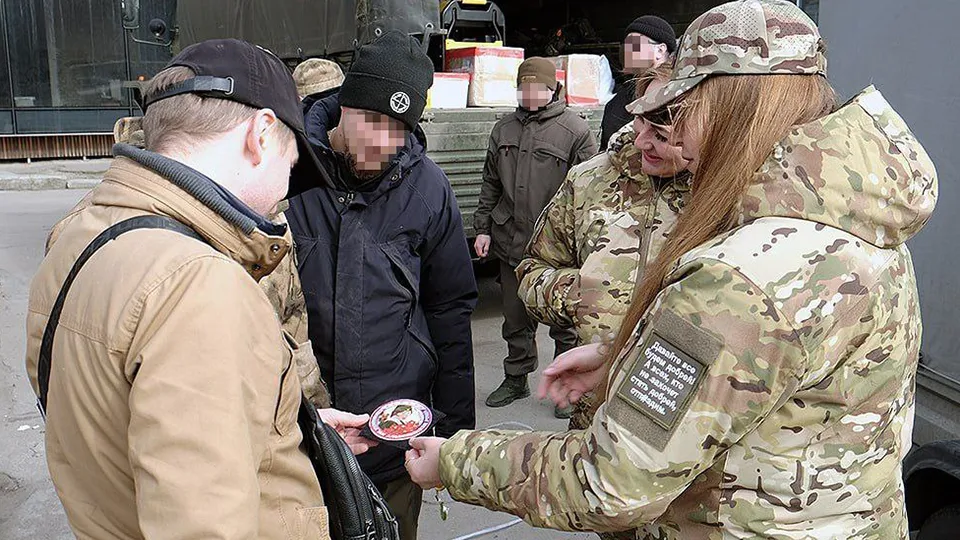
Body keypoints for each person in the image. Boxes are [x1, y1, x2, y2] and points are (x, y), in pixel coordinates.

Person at [404, 1, 939, 538]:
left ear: (730, 104)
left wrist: (456, 459)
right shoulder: (856, 220)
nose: (671, 139)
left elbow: (606, 483)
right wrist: (625, 355)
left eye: (682, 110)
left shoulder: (743, 276)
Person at [26, 39, 377, 539]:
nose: (286, 190)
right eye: (292, 164)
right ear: (260, 134)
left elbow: (114, 420)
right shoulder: (200, 284)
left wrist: (291, 426)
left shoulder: (78, 232)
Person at [285, 30, 478, 540]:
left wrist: (455, 435)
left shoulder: (429, 187)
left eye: (399, 127)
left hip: (391, 436)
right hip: (299, 438)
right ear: (344, 103)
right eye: (371, 120)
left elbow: (450, 309)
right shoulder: (286, 173)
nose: (382, 142)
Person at [517, 64, 689, 438]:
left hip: (686, 424)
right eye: (642, 117)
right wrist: (580, 295)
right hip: (594, 408)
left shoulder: (729, 191)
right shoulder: (590, 180)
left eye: (664, 123)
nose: (644, 138)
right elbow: (532, 269)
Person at [474, 57, 598, 418]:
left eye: (536, 88)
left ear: (552, 89)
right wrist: (482, 228)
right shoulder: (503, 129)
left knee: (564, 322)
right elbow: (490, 182)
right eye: (522, 88)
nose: (529, 94)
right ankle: (516, 378)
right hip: (511, 240)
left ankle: (564, 385)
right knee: (515, 318)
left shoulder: (575, 130)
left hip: (558, 248)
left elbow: (591, 191)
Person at [599, 15, 676, 151]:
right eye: (626, 47)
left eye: (634, 46)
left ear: (660, 50)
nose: (628, 52)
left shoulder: (677, 93)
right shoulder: (619, 98)